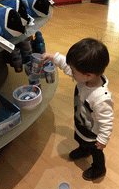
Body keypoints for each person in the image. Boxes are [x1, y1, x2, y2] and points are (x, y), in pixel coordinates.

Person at [41, 38, 114, 181]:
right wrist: (53, 57)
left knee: (96, 151)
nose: (71, 72)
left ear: (88, 75)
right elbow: (66, 66)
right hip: (81, 122)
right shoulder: (84, 78)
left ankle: (99, 168)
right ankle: (83, 149)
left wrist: (103, 139)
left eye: (74, 71)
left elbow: (107, 121)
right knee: (80, 137)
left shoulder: (101, 98)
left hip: (94, 134)